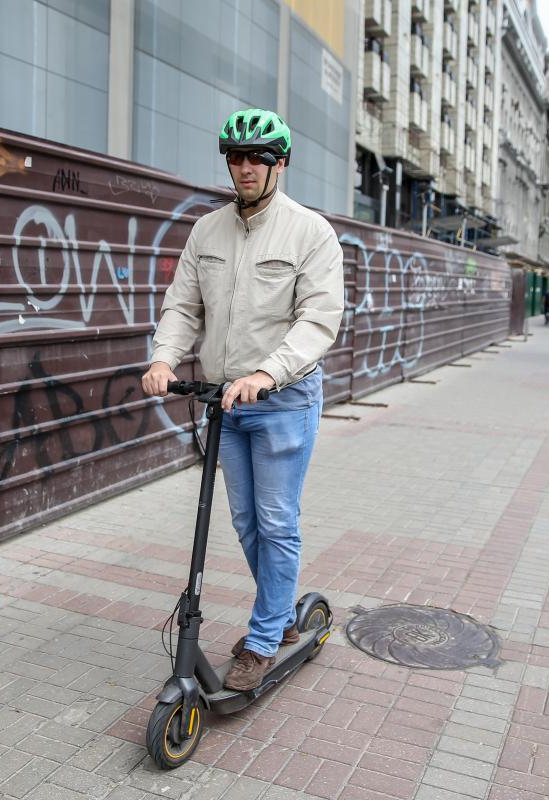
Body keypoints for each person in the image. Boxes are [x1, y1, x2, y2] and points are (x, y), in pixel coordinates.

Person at [140, 108, 344, 691]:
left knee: (276, 521)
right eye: (237, 156)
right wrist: (164, 358)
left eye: (260, 157)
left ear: (280, 163)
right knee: (244, 521)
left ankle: (262, 636)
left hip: (283, 399)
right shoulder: (208, 230)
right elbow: (183, 306)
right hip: (223, 404)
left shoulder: (309, 232)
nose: (247, 167)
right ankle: (278, 614)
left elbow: (318, 321)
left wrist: (267, 372)